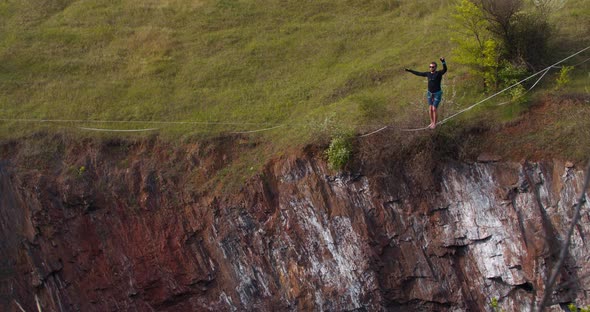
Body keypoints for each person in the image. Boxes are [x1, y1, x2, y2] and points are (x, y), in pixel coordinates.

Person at [405, 57, 447, 129]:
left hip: (437, 93)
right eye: (430, 67)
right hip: (429, 93)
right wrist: (410, 70)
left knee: (434, 109)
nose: (431, 68)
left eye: (432, 67)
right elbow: (418, 73)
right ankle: (431, 122)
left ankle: (434, 123)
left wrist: (443, 62)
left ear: (435, 67)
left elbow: (445, 70)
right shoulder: (427, 74)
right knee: (430, 108)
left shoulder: (439, 73)